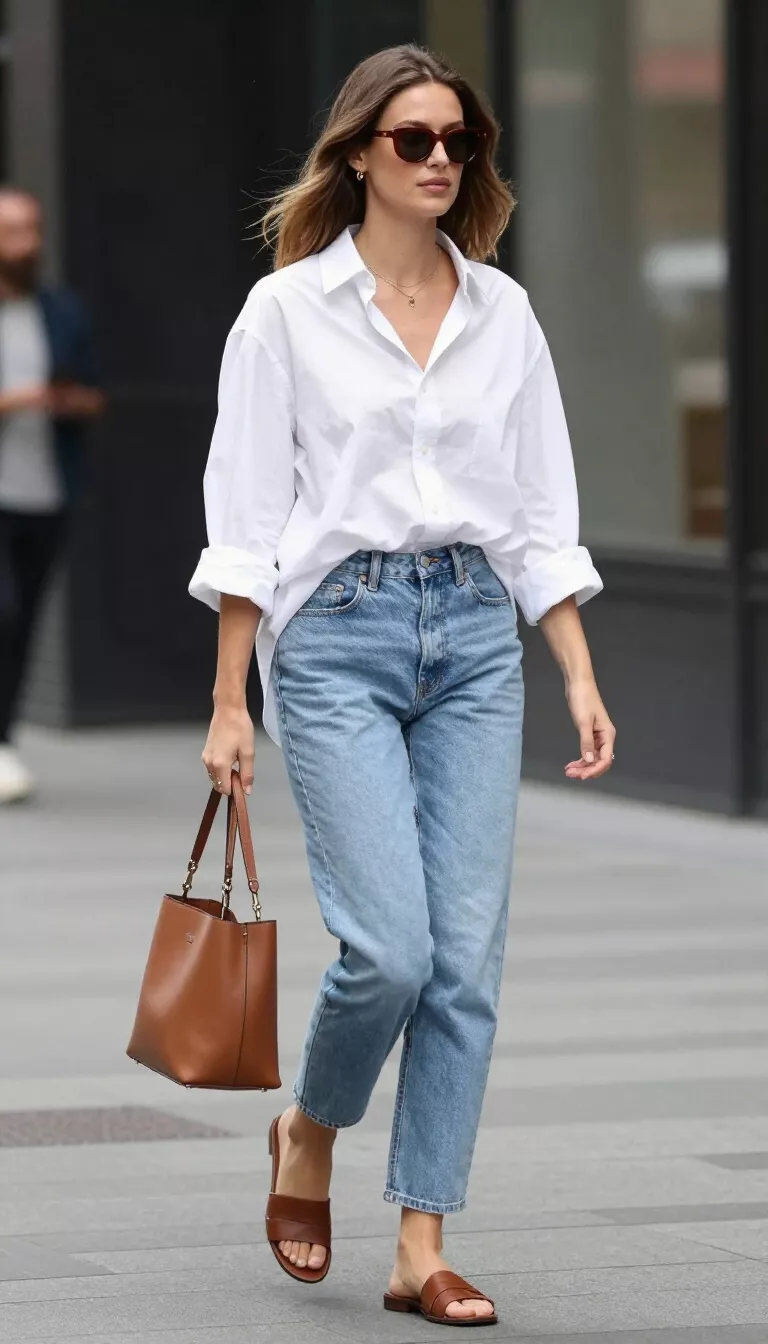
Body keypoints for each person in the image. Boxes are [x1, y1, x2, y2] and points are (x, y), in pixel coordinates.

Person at [189, 44, 616, 1328]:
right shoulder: (286, 314)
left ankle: (420, 1242)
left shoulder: (506, 313)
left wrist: (579, 669)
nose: (442, 161)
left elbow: (541, 512)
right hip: (337, 638)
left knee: (467, 961)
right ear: (359, 153)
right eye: (417, 139)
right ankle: (310, 1129)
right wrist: (228, 700)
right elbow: (248, 513)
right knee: (391, 947)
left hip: (479, 634)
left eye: (460, 144)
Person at [0, 188, 104, 803]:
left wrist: (70, 400)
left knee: (24, 621)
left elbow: (94, 391)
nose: (27, 245)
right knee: (3, 612)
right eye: (13, 232)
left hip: (45, 494)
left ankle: (3, 739)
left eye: (32, 231)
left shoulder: (61, 311)